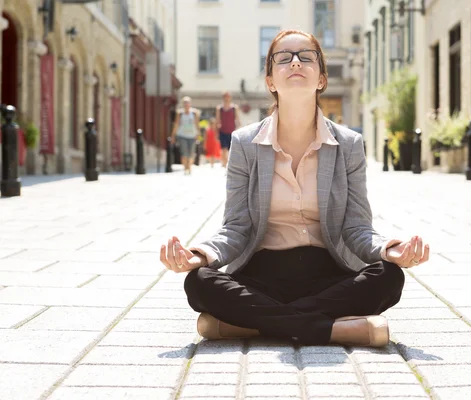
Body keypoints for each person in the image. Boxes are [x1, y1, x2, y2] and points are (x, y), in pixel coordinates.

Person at [160, 29, 430, 347]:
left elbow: (357, 228)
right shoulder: (245, 144)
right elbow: (236, 228)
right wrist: (199, 255)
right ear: (271, 81)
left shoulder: (349, 144)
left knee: (389, 277)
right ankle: (335, 329)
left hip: (328, 273)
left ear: (321, 79)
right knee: (200, 282)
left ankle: (252, 326)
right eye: (283, 57)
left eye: (306, 56)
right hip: (262, 275)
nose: (296, 62)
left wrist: (389, 249)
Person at [170, 96, 200, 175]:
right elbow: (176, 124)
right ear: (183, 104)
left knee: (191, 153)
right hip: (182, 135)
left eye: (188, 103)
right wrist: (173, 135)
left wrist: (198, 134)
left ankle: (189, 166)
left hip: (192, 136)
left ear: (190, 104)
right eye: (185, 103)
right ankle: (185, 168)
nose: (186, 104)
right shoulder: (180, 113)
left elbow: (197, 124)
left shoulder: (194, 113)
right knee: (184, 152)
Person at [215, 92, 241, 168]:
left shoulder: (234, 108)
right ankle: (225, 164)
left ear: (230, 98)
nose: (227, 98)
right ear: (223, 98)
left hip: (232, 132)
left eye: (228, 97)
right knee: (224, 149)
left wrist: (239, 130)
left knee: (231, 149)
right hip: (222, 131)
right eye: (225, 97)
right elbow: (217, 120)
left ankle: (229, 164)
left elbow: (238, 120)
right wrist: (216, 133)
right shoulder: (219, 108)